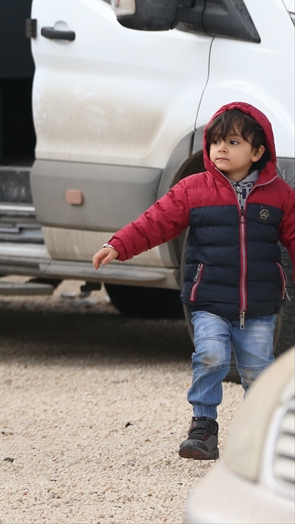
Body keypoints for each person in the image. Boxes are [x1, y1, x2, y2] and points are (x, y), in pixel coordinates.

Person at [93, 102, 295, 460]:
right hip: (208, 302)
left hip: (260, 306)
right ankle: (203, 426)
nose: (221, 148)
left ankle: (257, 436)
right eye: (216, 141)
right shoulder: (193, 190)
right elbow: (154, 222)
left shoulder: (280, 196)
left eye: (233, 142)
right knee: (211, 357)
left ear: (258, 151)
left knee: (258, 372)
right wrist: (119, 244)